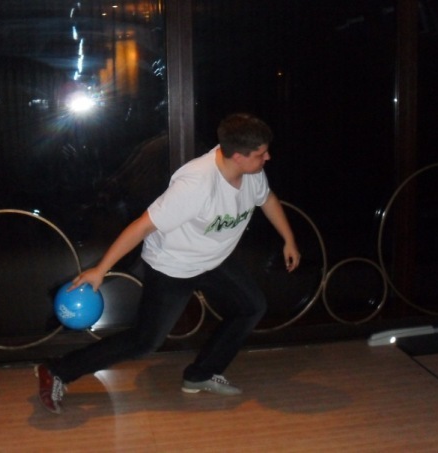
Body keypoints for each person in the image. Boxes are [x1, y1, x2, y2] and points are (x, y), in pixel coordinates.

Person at [35, 113, 301, 414]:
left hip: (213, 260)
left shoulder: (251, 173)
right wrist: (100, 270)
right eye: (261, 154)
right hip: (172, 265)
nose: (268, 157)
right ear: (238, 156)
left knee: (252, 307)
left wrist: (288, 239)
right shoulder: (196, 184)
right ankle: (58, 371)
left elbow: (267, 199)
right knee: (144, 342)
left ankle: (201, 374)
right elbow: (141, 226)